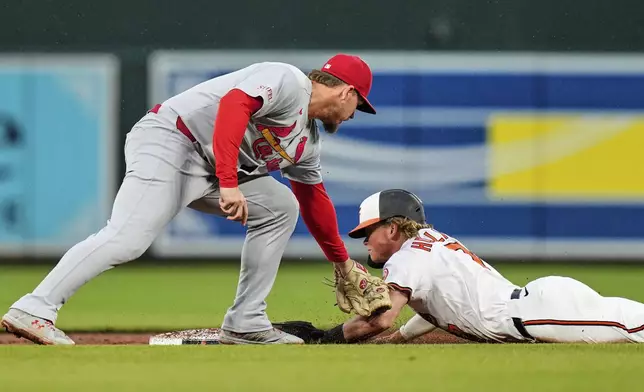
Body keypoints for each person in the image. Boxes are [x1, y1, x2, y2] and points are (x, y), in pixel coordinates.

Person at [1, 54, 391, 345]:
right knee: (128, 238)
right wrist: (227, 182)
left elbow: (313, 199)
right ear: (346, 91)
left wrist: (341, 262)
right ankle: (34, 307)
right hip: (172, 140)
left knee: (281, 208)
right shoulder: (288, 81)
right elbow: (234, 106)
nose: (356, 113)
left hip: (211, 169)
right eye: (360, 104)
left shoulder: (308, 141)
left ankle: (246, 322)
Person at [278, 189, 644, 344]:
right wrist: (404, 336)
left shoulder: (406, 258)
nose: (364, 241)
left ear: (392, 227)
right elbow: (437, 301)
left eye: (368, 232)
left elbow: (381, 318)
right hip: (538, 304)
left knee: (635, 326)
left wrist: (325, 337)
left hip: (538, 315)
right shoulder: (431, 243)